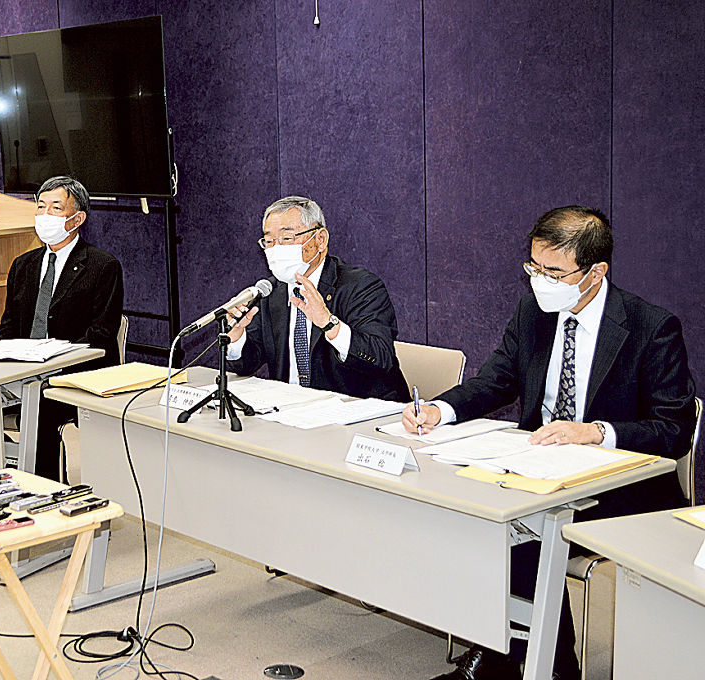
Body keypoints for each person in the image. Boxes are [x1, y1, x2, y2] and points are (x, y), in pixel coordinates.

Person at [403, 205, 696, 680]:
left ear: (596, 272)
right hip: (534, 468)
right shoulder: (534, 313)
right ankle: (507, 655)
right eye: (534, 268)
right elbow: (495, 381)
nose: (540, 281)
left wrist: (596, 431)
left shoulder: (650, 326)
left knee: (525, 533)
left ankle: (543, 666)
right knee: (469, 515)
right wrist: (441, 409)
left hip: (618, 485)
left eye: (554, 273)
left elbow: (674, 426)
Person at [0, 176, 123, 480]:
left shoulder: (102, 266)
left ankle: (44, 489)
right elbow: (8, 326)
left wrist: (53, 361)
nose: (44, 215)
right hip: (23, 370)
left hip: (76, 373)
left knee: (40, 406)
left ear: (77, 219)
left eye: (55, 208)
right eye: (40, 206)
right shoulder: (23, 265)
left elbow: (101, 333)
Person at [226, 195, 409, 401]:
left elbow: (380, 358)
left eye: (287, 238)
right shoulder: (271, 291)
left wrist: (329, 323)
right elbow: (247, 364)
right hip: (293, 409)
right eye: (269, 241)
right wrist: (236, 335)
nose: (276, 249)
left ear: (320, 240)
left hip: (359, 408)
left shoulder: (361, 286)